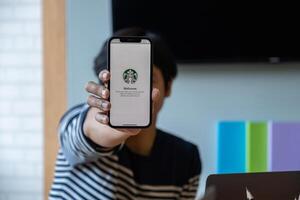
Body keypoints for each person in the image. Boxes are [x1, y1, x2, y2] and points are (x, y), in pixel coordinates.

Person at [49, 27, 201, 200]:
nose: (135, 86)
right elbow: (92, 129)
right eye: (121, 79)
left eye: (147, 78)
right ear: (105, 84)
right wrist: (113, 122)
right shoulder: (78, 121)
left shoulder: (186, 158)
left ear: (168, 86)